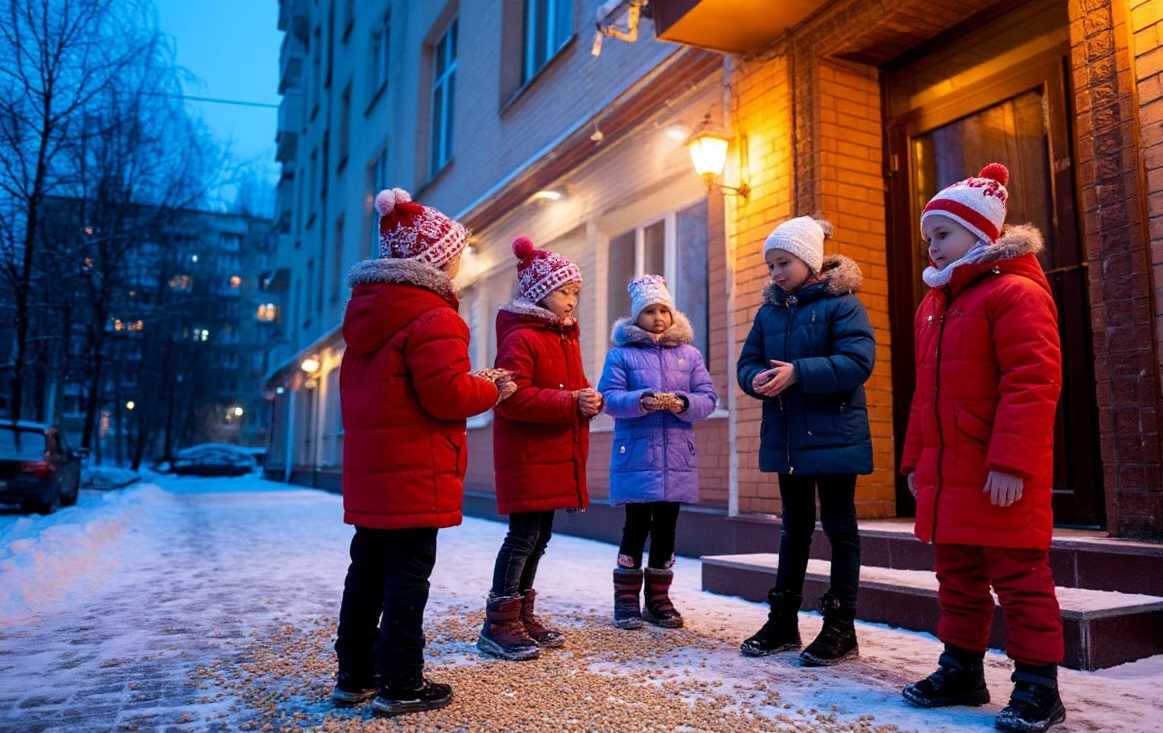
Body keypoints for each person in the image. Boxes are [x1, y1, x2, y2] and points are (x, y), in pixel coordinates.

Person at [333, 188, 516, 717]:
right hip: (416, 472)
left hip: (373, 475)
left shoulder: (366, 318)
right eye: (456, 252)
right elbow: (446, 395)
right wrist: (490, 388)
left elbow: (390, 393)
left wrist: (466, 381)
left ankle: (355, 675)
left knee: (365, 573)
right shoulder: (434, 317)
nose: (461, 261)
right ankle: (401, 683)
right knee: (408, 578)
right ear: (434, 259)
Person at [898, 163, 1066, 733]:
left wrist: (1012, 461)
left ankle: (1039, 685)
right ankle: (962, 669)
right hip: (949, 472)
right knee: (958, 576)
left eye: (942, 234)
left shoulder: (1014, 292)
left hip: (998, 471)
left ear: (981, 233)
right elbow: (926, 392)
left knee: (1020, 577)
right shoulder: (935, 305)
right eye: (929, 238)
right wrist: (916, 461)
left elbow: (1033, 379)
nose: (933, 247)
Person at [736, 215, 875, 666]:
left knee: (840, 529)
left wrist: (799, 372)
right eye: (771, 264)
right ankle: (783, 622)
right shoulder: (769, 312)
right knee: (793, 529)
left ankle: (840, 627)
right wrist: (755, 379)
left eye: (784, 262)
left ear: (810, 260)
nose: (775, 272)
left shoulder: (843, 306)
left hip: (834, 437)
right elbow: (747, 362)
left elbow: (857, 361)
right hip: (789, 439)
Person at [477, 236, 603, 661]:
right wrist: (570, 402)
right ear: (537, 292)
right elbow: (514, 397)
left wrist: (588, 401)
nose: (572, 301)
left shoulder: (564, 337)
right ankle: (499, 621)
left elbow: (569, 390)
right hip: (527, 456)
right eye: (564, 291)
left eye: (576, 293)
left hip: (550, 453)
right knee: (522, 536)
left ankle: (521, 614)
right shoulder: (522, 338)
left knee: (539, 536)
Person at [597, 275, 717, 630]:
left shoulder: (690, 355)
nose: (658, 317)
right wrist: (641, 401)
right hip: (637, 455)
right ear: (637, 317)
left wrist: (683, 403)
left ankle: (659, 599)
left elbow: (707, 398)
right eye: (650, 311)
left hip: (676, 457)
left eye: (664, 309)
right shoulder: (621, 355)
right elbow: (609, 398)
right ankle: (626, 599)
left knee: (667, 528)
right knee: (636, 526)